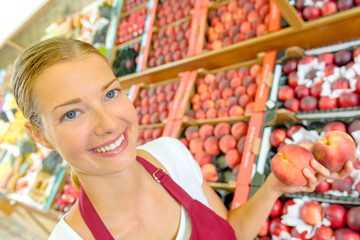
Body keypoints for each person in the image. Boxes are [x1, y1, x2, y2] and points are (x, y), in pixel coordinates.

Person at [11, 37, 353, 240]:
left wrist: (278, 185)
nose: (108, 123)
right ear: (39, 135)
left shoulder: (171, 155)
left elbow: (230, 233)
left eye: (111, 94)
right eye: (72, 113)